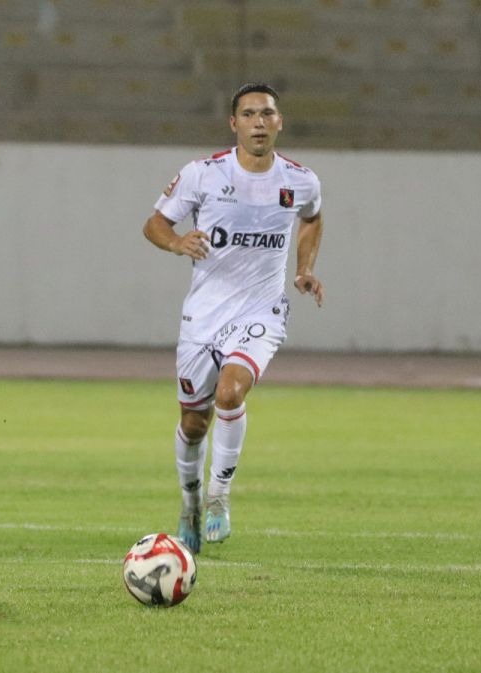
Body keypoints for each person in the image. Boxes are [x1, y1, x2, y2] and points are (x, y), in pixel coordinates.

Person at [142, 83, 325, 554]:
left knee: (231, 390)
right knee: (193, 423)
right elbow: (155, 224)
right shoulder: (202, 175)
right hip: (204, 315)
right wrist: (176, 242)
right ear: (234, 124)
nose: (259, 122)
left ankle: (220, 498)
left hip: (261, 310)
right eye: (249, 114)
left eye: (267, 113)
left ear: (279, 122)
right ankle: (190, 504)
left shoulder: (300, 180)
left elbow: (312, 217)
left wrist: (304, 269)